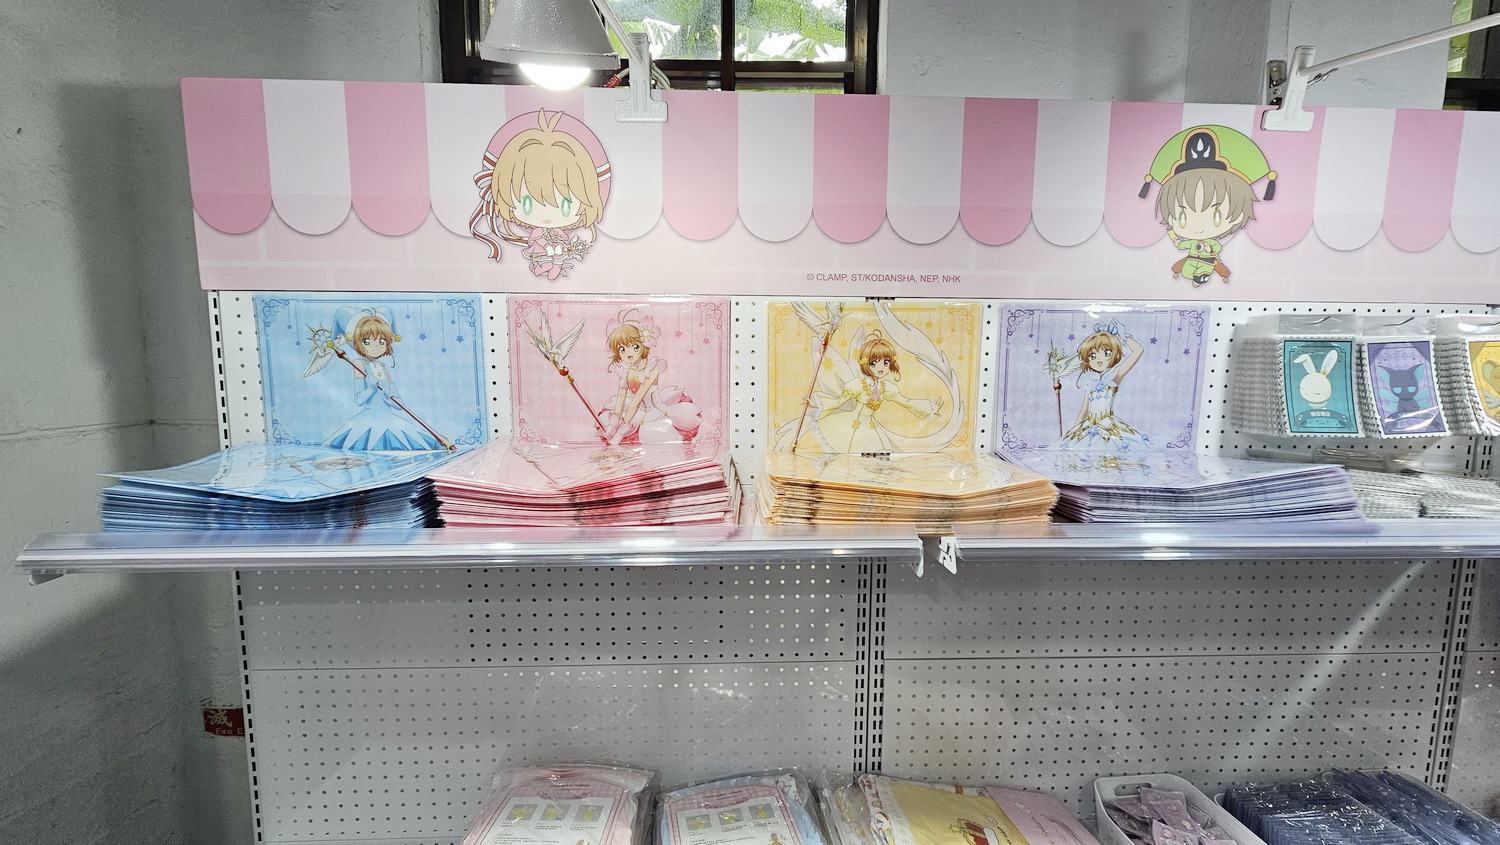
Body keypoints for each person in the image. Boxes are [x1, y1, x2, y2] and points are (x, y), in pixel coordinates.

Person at [470, 109, 606, 279]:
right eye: (527, 203)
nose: (547, 216)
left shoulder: (559, 232)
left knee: (556, 260)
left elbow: (562, 240)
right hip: (540, 254)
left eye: (565, 206)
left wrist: (559, 248)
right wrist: (548, 247)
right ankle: (545, 267)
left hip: (558, 255)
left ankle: (553, 266)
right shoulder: (537, 234)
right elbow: (537, 240)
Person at [324, 311, 443, 451]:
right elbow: (359, 400)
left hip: (391, 419)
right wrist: (371, 388)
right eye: (367, 341)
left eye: (381, 342)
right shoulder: (359, 364)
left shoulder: (383, 367)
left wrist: (390, 398)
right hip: (368, 421)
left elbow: (399, 404)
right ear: (357, 342)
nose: (375, 346)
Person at [816, 333, 943, 453]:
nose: (881, 368)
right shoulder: (859, 385)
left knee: (876, 453)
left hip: (871, 426)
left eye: (886, 363)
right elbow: (839, 401)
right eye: (874, 363)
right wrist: (817, 404)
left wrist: (930, 408)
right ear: (865, 363)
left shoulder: (885, 387)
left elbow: (905, 401)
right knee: (852, 452)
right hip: (852, 425)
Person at [599, 310, 701, 445]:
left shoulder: (651, 369)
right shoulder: (627, 371)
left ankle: (624, 429)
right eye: (622, 350)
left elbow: (637, 399)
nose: (629, 353)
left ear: (644, 345)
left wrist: (622, 429)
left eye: (635, 347)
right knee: (611, 418)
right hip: (637, 413)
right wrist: (614, 423)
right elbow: (621, 397)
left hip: (654, 412)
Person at [1056, 324, 1150, 451]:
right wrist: (1072, 435)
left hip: (1108, 426)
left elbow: (1138, 350)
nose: (1099, 360)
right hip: (1088, 427)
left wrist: (1123, 336)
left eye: (1106, 353)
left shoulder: (1115, 374)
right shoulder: (1090, 385)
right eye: (1093, 356)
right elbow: (1083, 412)